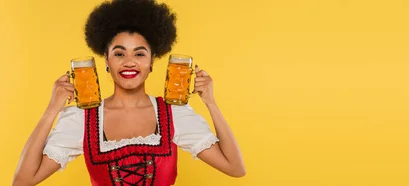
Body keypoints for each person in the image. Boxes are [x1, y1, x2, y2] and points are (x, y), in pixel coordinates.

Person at [12, 0, 246, 185]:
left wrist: (211, 104)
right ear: (106, 60)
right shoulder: (83, 119)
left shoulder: (174, 114)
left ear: (152, 61)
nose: (129, 62)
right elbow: (23, 181)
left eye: (140, 54)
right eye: (119, 53)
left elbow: (235, 168)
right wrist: (51, 110)